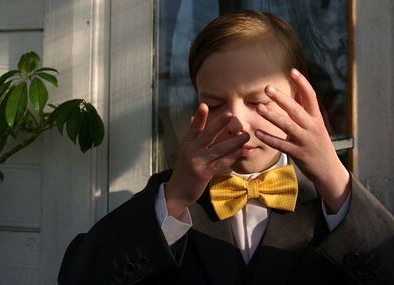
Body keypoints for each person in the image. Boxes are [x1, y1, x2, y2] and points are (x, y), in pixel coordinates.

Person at [58, 10, 394, 285]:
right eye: (216, 105)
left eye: (259, 101)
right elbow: (77, 278)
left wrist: (335, 177)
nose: (238, 124)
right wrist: (174, 198)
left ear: (299, 98)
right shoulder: (168, 204)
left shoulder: (334, 204)